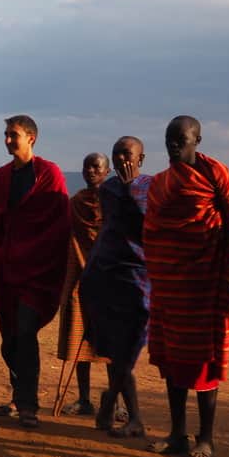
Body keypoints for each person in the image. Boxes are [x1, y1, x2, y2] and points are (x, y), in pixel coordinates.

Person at [144, 115, 229, 457]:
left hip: (205, 284)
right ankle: (176, 433)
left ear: (197, 140)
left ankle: (206, 438)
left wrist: (228, 277)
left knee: (202, 361)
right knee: (173, 361)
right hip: (169, 286)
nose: (174, 145)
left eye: (181, 139)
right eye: (169, 139)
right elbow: (153, 231)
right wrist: (156, 273)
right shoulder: (160, 183)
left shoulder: (215, 174)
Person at [0, 115, 71, 428]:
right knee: (8, 336)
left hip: (38, 271)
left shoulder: (50, 174)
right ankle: (17, 395)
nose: (7, 140)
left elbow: (60, 223)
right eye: (6, 134)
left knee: (24, 331)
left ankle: (28, 405)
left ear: (31, 138)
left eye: (13, 135)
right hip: (5, 270)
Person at [82, 137, 154, 438]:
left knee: (132, 344)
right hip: (105, 273)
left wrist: (130, 189)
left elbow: (146, 225)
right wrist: (124, 188)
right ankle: (133, 416)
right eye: (117, 154)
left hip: (138, 276)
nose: (122, 159)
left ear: (142, 158)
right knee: (113, 347)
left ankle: (110, 398)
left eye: (127, 153)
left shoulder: (153, 187)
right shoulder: (109, 189)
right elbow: (117, 223)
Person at [56, 152, 110, 415]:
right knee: (77, 342)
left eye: (96, 167)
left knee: (113, 347)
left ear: (107, 172)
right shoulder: (76, 202)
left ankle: (116, 401)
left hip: (110, 282)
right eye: (87, 166)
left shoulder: (117, 202)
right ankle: (84, 399)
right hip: (79, 280)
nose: (90, 171)